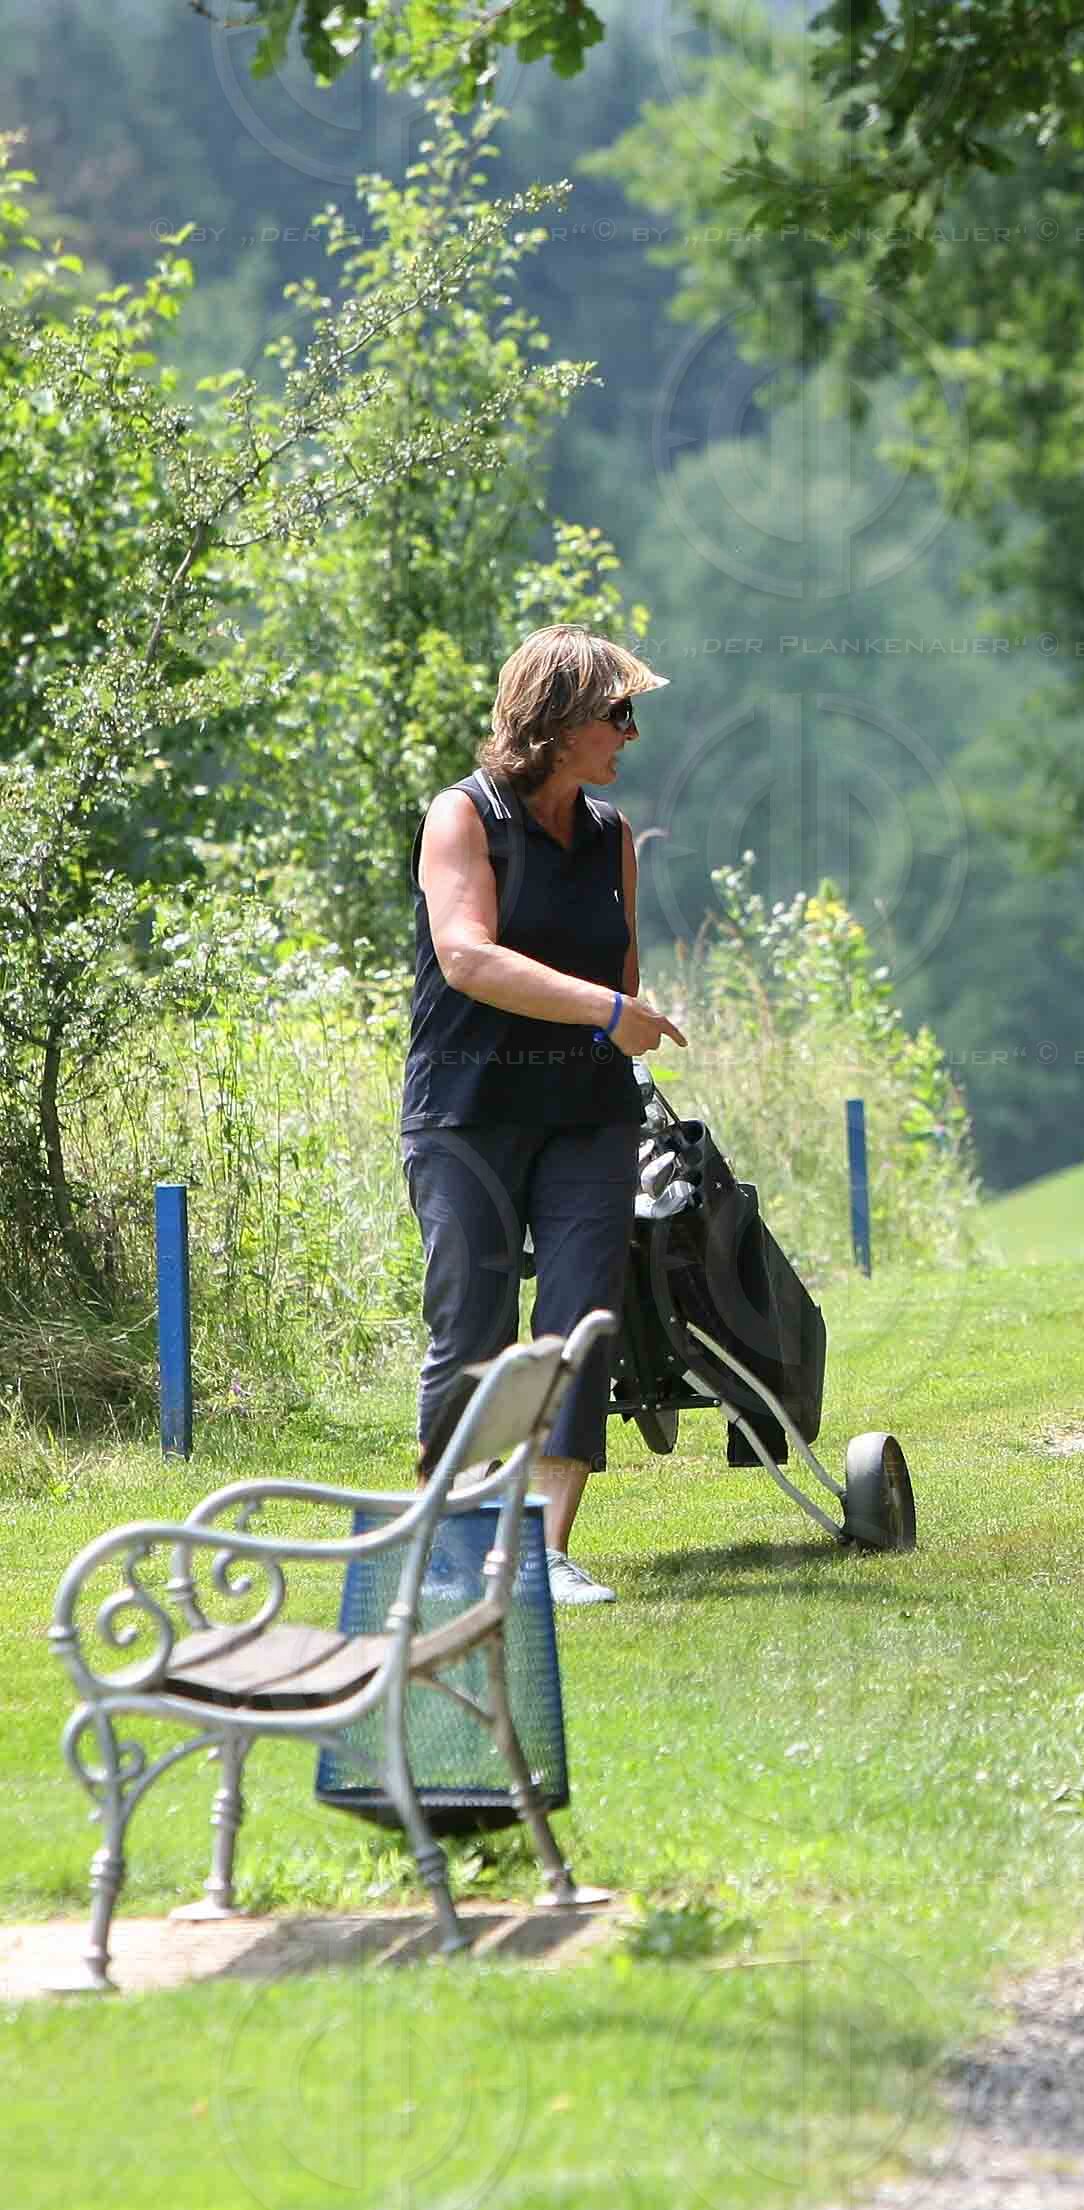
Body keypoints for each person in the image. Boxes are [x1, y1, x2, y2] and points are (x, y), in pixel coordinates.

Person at [403, 625, 688, 1607]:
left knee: (581, 1325)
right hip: (467, 1116)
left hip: (588, 1117)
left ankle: (539, 1555)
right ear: (560, 721)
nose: (633, 733)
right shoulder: (463, 817)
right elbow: (467, 957)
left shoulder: (611, 837)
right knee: (472, 1328)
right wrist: (607, 1011)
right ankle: (453, 1554)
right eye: (618, 713)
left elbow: (624, 976)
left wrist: (625, 1017)